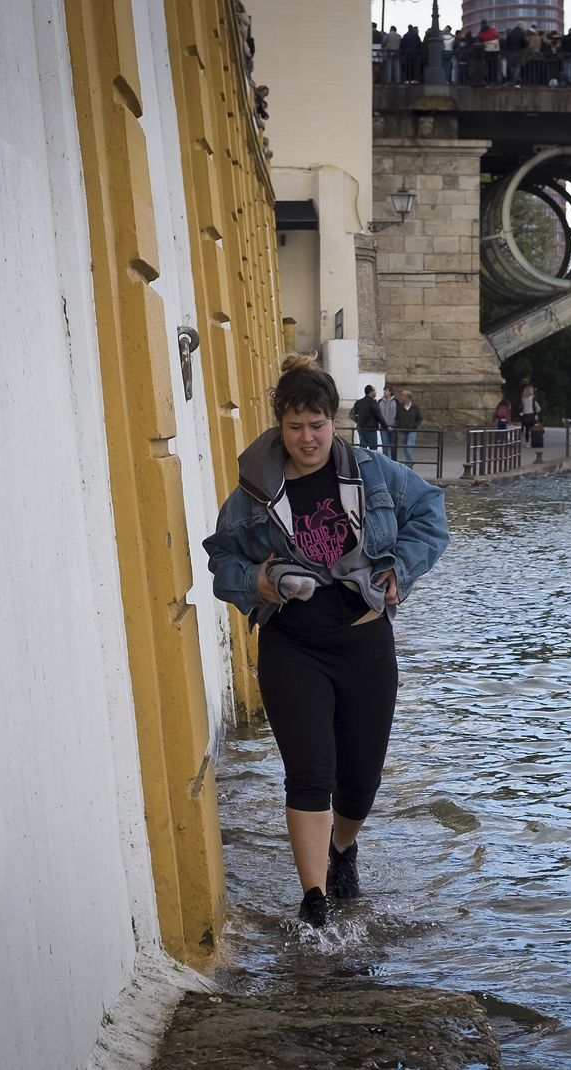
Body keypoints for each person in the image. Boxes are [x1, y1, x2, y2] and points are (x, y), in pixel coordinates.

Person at [203, 357, 449, 928]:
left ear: (331, 422)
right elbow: (221, 559)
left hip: (365, 644)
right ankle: (314, 902)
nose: (307, 438)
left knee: (360, 779)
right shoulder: (255, 493)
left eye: (316, 424)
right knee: (311, 772)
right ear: (280, 427)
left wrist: (399, 572)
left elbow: (430, 512)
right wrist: (256, 581)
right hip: (293, 647)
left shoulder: (373, 473)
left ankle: (343, 850)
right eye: (295, 427)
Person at [352, 384, 388, 449]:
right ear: (371, 392)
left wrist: (358, 421)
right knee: (373, 450)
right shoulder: (373, 403)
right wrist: (386, 426)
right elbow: (378, 415)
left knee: (363, 450)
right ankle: (372, 459)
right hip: (371, 429)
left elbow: (352, 414)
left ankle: (364, 459)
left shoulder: (359, 402)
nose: (375, 392)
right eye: (374, 391)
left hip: (361, 429)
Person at [394, 389, 422, 464]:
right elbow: (397, 418)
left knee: (409, 447)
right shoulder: (400, 407)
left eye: (403, 395)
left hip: (412, 430)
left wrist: (415, 426)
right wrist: (399, 425)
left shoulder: (415, 407)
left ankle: (409, 463)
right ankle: (409, 461)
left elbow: (419, 418)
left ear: (408, 397)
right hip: (403, 430)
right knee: (405, 448)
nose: (401, 397)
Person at [378, 385, 398, 456]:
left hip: (393, 426)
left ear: (390, 392)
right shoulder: (380, 402)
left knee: (393, 446)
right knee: (385, 445)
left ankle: (393, 461)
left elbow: (398, 415)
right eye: (384, 390)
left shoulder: (396, 402)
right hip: (383, 427)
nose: (384, 392)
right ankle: (386, 461)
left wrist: (396, 424)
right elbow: (378, 415)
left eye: (386, 390)